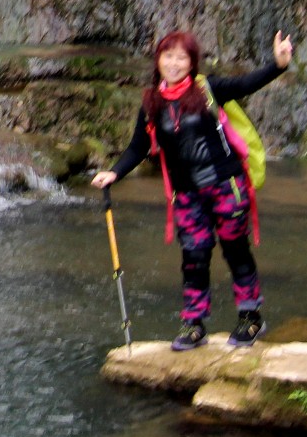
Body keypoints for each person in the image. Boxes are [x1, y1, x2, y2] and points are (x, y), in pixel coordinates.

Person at [90, 28, 294, 351]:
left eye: (181, 57)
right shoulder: (151, 103)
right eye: (167, 56)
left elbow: (247, 83)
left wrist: (278, 65)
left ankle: (251, 317)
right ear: (158, 60)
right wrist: (114, 173)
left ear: (191, 61)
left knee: (235, 250)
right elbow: (138, 147)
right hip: (186, 195)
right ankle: (194, 322)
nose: (173, 63)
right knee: (194, 258)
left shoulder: (208, 88)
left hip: (226, 185)